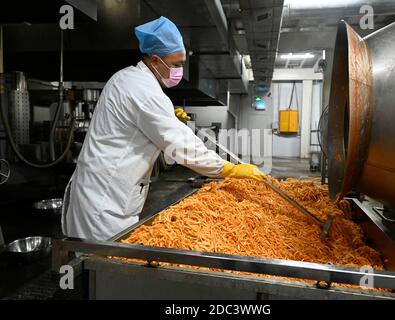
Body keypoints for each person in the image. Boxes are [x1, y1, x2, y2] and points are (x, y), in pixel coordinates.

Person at [61, 16, 265, 241]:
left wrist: (169, 117)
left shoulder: (128, 78)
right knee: (101, 267)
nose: (179, 70)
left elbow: (143, 124)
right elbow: (184, 148)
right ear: (156, 60)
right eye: (176, 64)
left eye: (182, 64)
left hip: (101, 191)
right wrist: (228, 169)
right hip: (104, 207)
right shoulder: (145, 92)